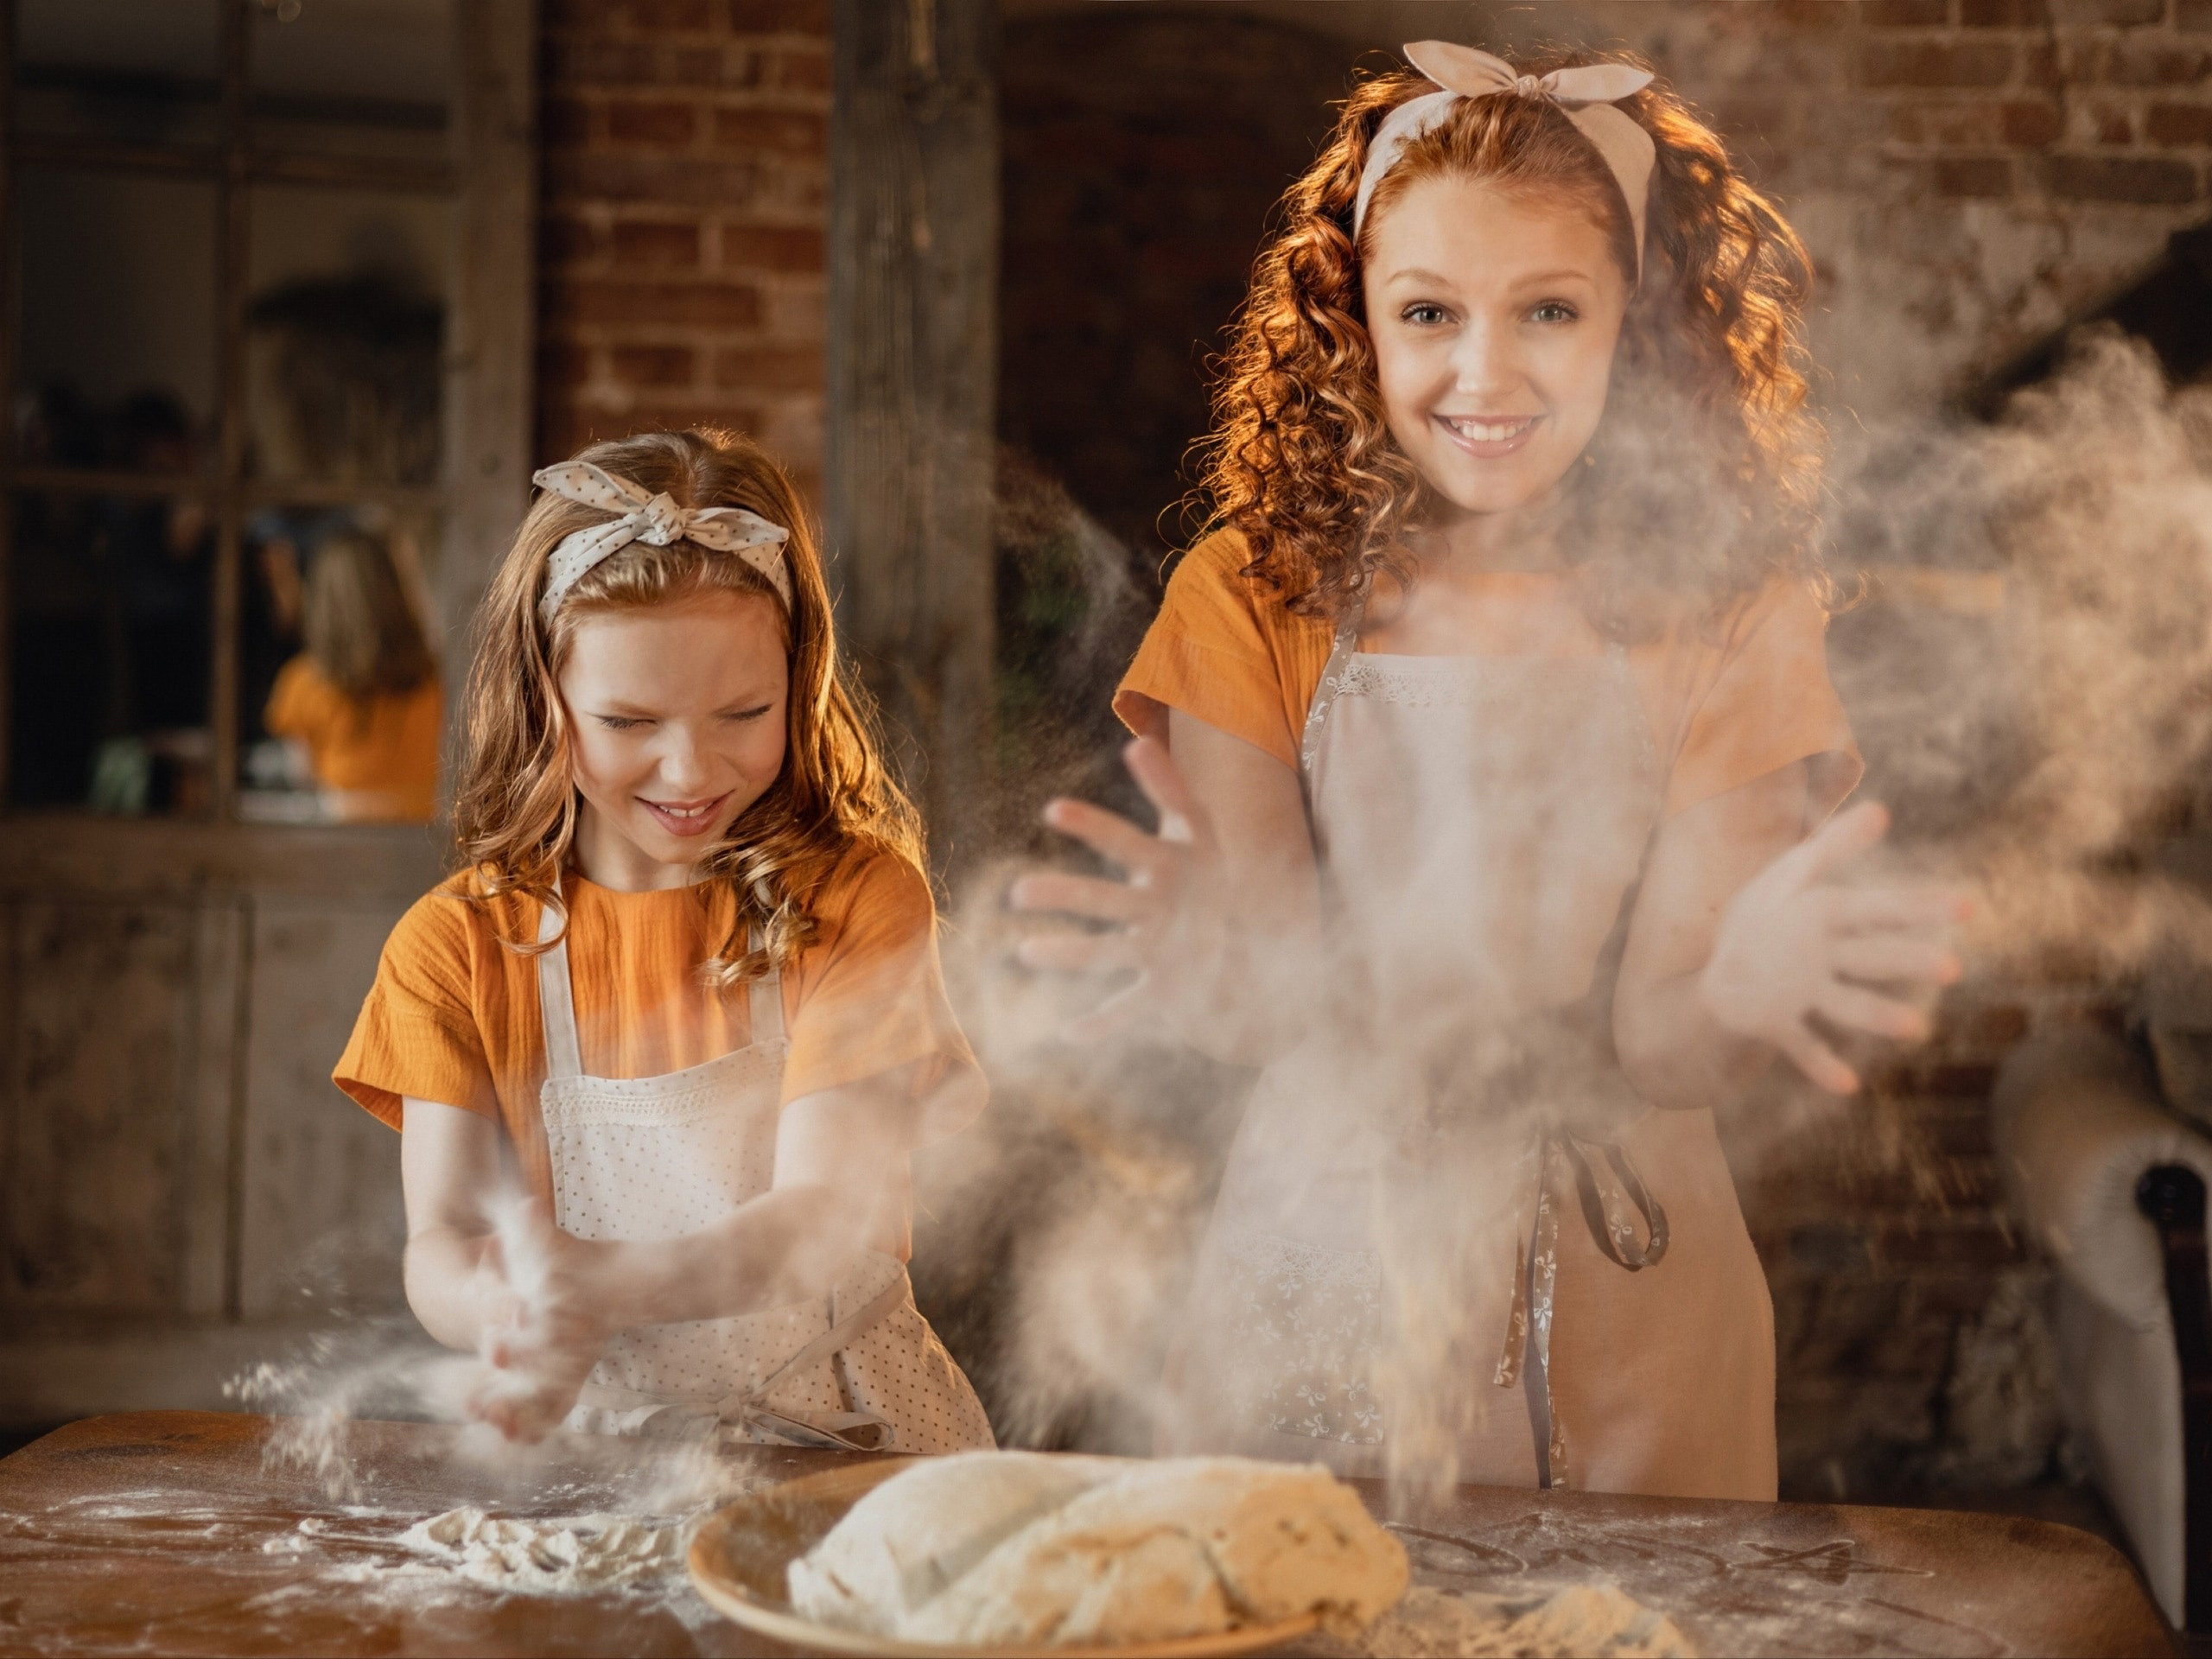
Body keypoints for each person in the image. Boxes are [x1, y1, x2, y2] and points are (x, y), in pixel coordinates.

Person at [1014, 44, 1965, 1501]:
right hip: (1321, 1261)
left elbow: (1664, 1045)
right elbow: (1277, 989)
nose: (1485, 372)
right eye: (1429, 314)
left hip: (1636, 1281)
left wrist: (1741, 993)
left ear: (1635, 329)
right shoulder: (1252, 594)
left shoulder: (1735, 610)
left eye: (1549, 312)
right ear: (1354, 328)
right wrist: (1213, 980)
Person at [334, 429, 995, 1452]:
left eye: (744, 712)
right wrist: (512, 1318)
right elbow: (445, 1247)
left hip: (859, 1444)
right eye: (627, 720)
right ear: (541, 700)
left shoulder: (861, 899)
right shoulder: (454, 947)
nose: (690, 773)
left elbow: (821, 1216)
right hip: (608, 1460)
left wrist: (600, 1287)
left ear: (800, 681)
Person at [264, 528, 442, 822]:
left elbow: (301, 775)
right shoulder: (434, 677)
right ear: (395, 590)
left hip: (341, 838)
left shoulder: (302, 681)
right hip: (424, 835)